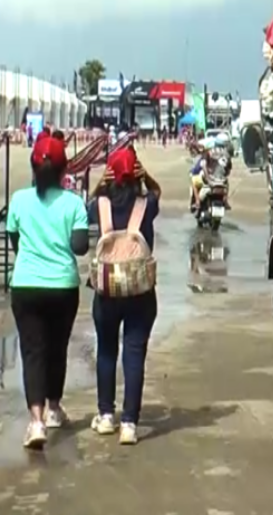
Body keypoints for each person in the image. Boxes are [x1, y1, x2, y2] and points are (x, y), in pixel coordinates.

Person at [5, 132, 89, 449]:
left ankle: (36, 421)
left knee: (33, 351)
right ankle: (54, 408)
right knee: (57, 348)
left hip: (26, 284)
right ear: (64, 170)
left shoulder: (18, 200)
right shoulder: (73, 203)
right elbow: (80, 247)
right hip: (63, 287)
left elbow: (15, 241)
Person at [88, 148, 161, 446]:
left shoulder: (100, 206)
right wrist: (147, 177)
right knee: (134, 355)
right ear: (136, 175)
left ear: (110, 176)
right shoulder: (147, 204)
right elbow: (157, 190)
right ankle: (129, 422)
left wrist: (99, 184)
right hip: (140, 291)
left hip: (107, 292)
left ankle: (106, 416)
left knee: (106, 351)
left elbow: (89, 202)